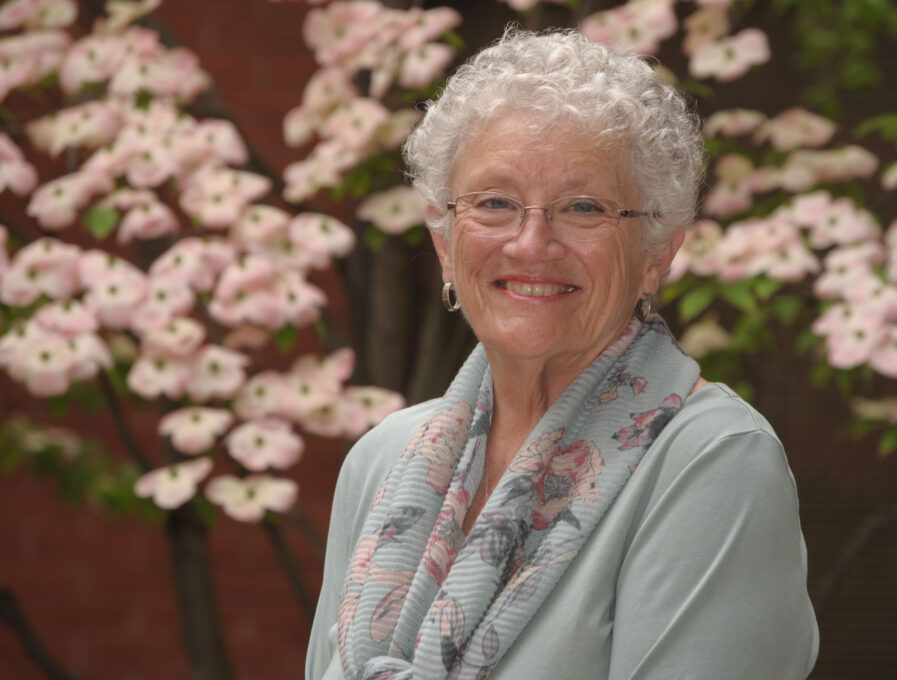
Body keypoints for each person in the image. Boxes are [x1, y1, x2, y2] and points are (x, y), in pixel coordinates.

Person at [307, 28, 818, 680]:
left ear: (657, 253)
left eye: (583, 207)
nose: (530, 243)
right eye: (494, 203)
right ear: (444, 243)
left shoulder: (713, 462)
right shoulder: (381, 462)